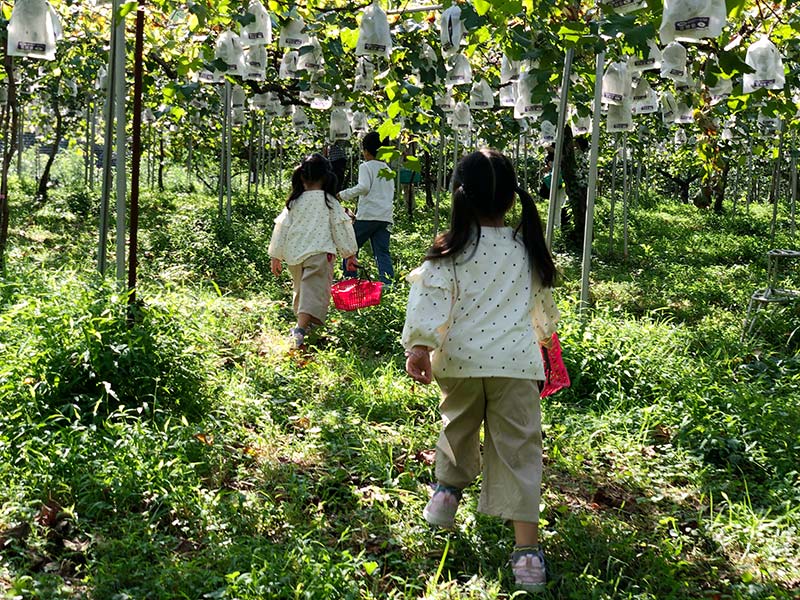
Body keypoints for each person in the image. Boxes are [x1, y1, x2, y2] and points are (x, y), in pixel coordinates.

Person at [401, 149, 560, 593]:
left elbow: (430, 303)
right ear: (512, 200)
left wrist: (419, 347)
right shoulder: (525, 247)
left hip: (461, 361)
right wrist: (545, 340)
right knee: (519, 449)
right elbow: (543, 309)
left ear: (460, 197)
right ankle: (526, 554)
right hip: (515, 363)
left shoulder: (448, 252)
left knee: (458, 426)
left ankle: (445, 498)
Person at [268, 153, 359, 348]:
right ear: (326, 177)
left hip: (294, 254)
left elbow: (281, 227)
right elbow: (340, 227)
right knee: (314, 290)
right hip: (319, 252)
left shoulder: (294, 202)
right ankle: (300, 329)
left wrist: (276, 255)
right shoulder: (329, 202)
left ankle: (308, 327)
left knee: (302, 289)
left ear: (301, 177)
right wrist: (350, 253)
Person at [337, 132, 395, 285]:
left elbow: (363, 187)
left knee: (350, 248)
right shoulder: (388, 170)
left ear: (366, 151)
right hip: (384, 217)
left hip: (368, 216)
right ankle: (388, 284)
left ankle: (350, 280)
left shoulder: (366, 166)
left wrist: (342, 195)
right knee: (382, 252)